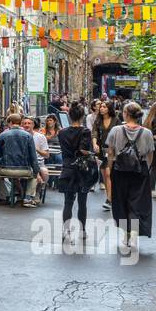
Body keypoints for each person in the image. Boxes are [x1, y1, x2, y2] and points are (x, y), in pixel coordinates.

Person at [106, 101, 156, 248]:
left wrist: (109, 168)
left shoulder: (116, 130)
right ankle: (134, 235)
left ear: (126, 114)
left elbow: (110, 152)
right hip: (140, 170)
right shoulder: (147, 133)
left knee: (121, 201)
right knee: (137, 203)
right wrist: (146, 167)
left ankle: (126, 234)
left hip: (119, 170)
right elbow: (150, 154)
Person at [57, 102, 99, 245]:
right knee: (82, 202)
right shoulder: (85, 131)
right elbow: (82, 150)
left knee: (68, 202)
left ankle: (66, 230)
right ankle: (82, 230)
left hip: (67, 168)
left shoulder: (61, 132)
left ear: (69, 116)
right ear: (82, 116)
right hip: (81, 170)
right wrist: (93, 154)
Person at [0, 112, 45, 206]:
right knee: (34, 176)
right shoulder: (28, 136)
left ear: (10, 123)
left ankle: (6, 195)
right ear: (20, 122)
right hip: (23, 169)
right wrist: (36, 172)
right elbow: (33, 156)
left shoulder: (2, 135)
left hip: (5, 169)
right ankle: (28, 198)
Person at [94, 99, 117, 211]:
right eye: (101, 106)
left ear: (109, 109)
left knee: (108, 174)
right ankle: (110, 198)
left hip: (113, 151)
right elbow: (94, 133)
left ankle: (109, 199)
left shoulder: (115, 120)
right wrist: (94, 144)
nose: (102, 108)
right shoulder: (98, 120)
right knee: (105, 175)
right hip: (101, 151)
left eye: (104, 106)